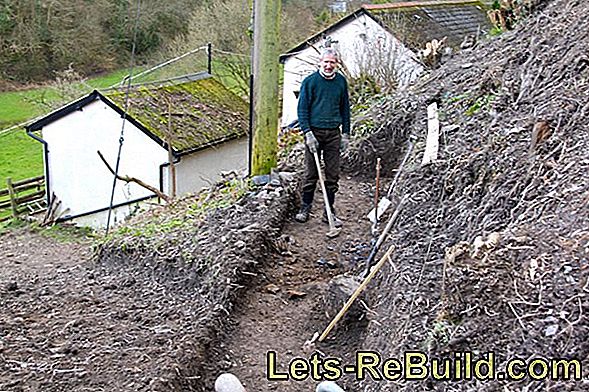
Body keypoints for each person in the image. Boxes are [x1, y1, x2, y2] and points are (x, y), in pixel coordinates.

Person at [295, 48, 351, 226]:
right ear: (320, 62)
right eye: (326, 62)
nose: (328, 65)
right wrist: (307, 133)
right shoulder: (310, 82)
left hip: (333, 133)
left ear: (337, 64)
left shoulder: (341, 82)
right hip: (314, 132)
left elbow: (345, 109)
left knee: (332, 174)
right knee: (311, 173)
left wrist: (346, 134)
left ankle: (329, 211)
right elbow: (302, 110)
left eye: (332, 62)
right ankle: (305, 207)